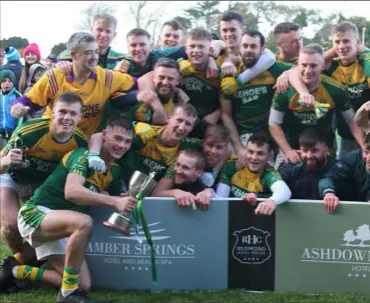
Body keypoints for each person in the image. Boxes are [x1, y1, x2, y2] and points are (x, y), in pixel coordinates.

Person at [0, 116, 137, 303]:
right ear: (104, 136)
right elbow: (72, 192)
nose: (122, 145)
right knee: (84, 222)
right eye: (118, 139)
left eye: (127, 141)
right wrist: (113, 201)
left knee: (84, 285)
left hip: (63, 227)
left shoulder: (115, 171)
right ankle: (67, 295)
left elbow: (107, 196)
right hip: (36, 214)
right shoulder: (82, 155)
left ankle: (16, 270)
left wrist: (123, 199)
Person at [0, 93, 88, 281]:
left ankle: (17, 266)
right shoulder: (30, 130)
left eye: (73, 113)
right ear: (53, 112)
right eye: (62, 111)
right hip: (14, 177)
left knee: (42, 227)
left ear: (80, 116)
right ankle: (20, 259)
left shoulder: (81, 142)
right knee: (11, 225)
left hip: (43, 184)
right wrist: (6, 161)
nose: (67, 117)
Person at [10, 32, 136, 138]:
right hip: (50, 140)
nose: (94, 57)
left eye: (96, 52)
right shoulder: (56, 77)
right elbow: (29, 100)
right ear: (73, 55)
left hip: (82, 147)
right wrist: (18, 106)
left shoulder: (107, 78)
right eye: (88, 53)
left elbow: (138, 82)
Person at [269, 44, 364, 169]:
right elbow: (273, 123)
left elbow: (351, 120)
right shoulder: (285, 89)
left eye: (313, 65)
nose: (308, 71)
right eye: (304, 65)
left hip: (324, 153)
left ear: (323, 66)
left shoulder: (336, 89)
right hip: (292, 151)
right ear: (298, 65)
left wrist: (365, 147)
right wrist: (287, 150)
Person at [220, 30, 293, 161]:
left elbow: (299, 70)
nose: (248, 50)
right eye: (245, 46)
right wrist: (238, 148)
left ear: (262, 48)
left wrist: (287, 74)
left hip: (270, 139)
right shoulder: (230, 72)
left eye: (253, 46)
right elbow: (226, 114)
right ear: (239, 47)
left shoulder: (273, 68)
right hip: (241, 140)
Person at [88, 103, 201, 182]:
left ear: (192, 128)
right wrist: (94, 154)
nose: (181, 127)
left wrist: (212, 173)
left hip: (148, 199)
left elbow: (215, 148)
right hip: (116, 186)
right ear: (168, 117)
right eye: (179, 120)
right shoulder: (146, 134)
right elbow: (100, 136)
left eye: (188, 124)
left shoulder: (189, 146)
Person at [323, 21, 370, 159]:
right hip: (346, 136)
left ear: (357, 42)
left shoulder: (366, 61)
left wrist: (365, 51)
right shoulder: (330, 67)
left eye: (346, 41)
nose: (341, 46)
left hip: (368, 132)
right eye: (337, 42)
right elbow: (306, 62)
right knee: (345, 175)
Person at [216, 132, 291, 216]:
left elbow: (285, 191)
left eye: (260, 153)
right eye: (250, 152)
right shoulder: (232, 166)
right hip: (228, 217)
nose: (254, 157)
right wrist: (209, 192)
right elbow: (220, 201)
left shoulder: (269, 173)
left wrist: (272, 201)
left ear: (269, 155)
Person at [107, 57, 182, 126]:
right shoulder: (139, 94)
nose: (165, 82)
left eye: (170, 79)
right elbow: (113, 102)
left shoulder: (179, 102)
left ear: (178, 80)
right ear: (153, 77)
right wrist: (136, 96)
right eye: (161, 77)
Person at [159, 124, 232, 189]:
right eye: (210, 145)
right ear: (202, 143)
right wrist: (175, 193)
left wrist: (214, 172)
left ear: (225, 149)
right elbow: (158, 193)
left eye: (219, 147)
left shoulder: (231, 159)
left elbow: (229, 151)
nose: (213, 151)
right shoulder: (188, 154)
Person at [278, 128, 338, 199]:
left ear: (326, 151)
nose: (309, 156)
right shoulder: (290, 169)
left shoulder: (336, 169)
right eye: (305, 151)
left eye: (314, 151)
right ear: (300, 150)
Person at [318, 134, 370, 213]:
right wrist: (328, 192)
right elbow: (329, 176)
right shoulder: (354, 158)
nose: (368, 158)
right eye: (366, 152)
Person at [59, 13, 126, 70]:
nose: (103, 35)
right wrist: (59, 66)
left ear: (114, 35)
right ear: (91, 30)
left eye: (108, 31)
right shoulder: (72, 55)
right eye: (99, 30)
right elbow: (51, 75)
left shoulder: (122, 59)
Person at [0, 70, 22, 148]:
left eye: (10, 81)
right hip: (1, 134)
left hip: (13, 134)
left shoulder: (17, 96)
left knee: (11, 155)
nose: (7, 83)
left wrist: (16, 132)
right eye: (4, 81)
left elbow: (21, 117)